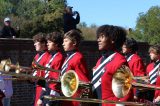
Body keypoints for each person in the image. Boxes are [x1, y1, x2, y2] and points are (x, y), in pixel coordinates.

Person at [91, 25, 133, 106]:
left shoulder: (120, 60)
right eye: (98, 37)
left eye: (102, 37)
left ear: (112, 39)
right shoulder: (100, 60)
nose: (98, 40)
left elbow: (126, 91)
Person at [61, 29, 90, 106]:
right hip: (66, 96)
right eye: (63, 41)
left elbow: (84, 81)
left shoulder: (78, 57)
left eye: (66, 41)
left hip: (74, 98)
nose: (63, 44)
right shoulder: (68, 57)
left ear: (74, 42)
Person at [37, 32, 64, 106]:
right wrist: (41, 97)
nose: (47, 44)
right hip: (47, 89)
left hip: (53, 92)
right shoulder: (51, 56)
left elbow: (55, 79)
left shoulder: (59, 57)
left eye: (49, 42)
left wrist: (50, 97)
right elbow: (47, 77)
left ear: (56, 44)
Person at [32, 33, 50, 106]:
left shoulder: (48, 56)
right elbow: (33, 72)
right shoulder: (37, 56)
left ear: (43, 43)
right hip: (36, 87)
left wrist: (42, 97)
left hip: (42, 88)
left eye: (36, 42)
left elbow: (47, 76)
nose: (34, 44)